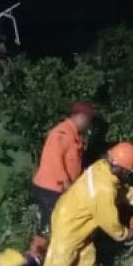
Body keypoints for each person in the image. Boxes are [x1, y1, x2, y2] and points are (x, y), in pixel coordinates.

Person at [31, 100, 95, 237]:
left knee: (58, 228)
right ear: (81, 117)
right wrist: (67, 185)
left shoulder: (74, 136)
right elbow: (54, 161)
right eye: (89, 120)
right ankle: (38, 256)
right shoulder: (61, 134)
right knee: (49, 230)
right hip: (51, 191)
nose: (89, 125)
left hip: (57, 190)